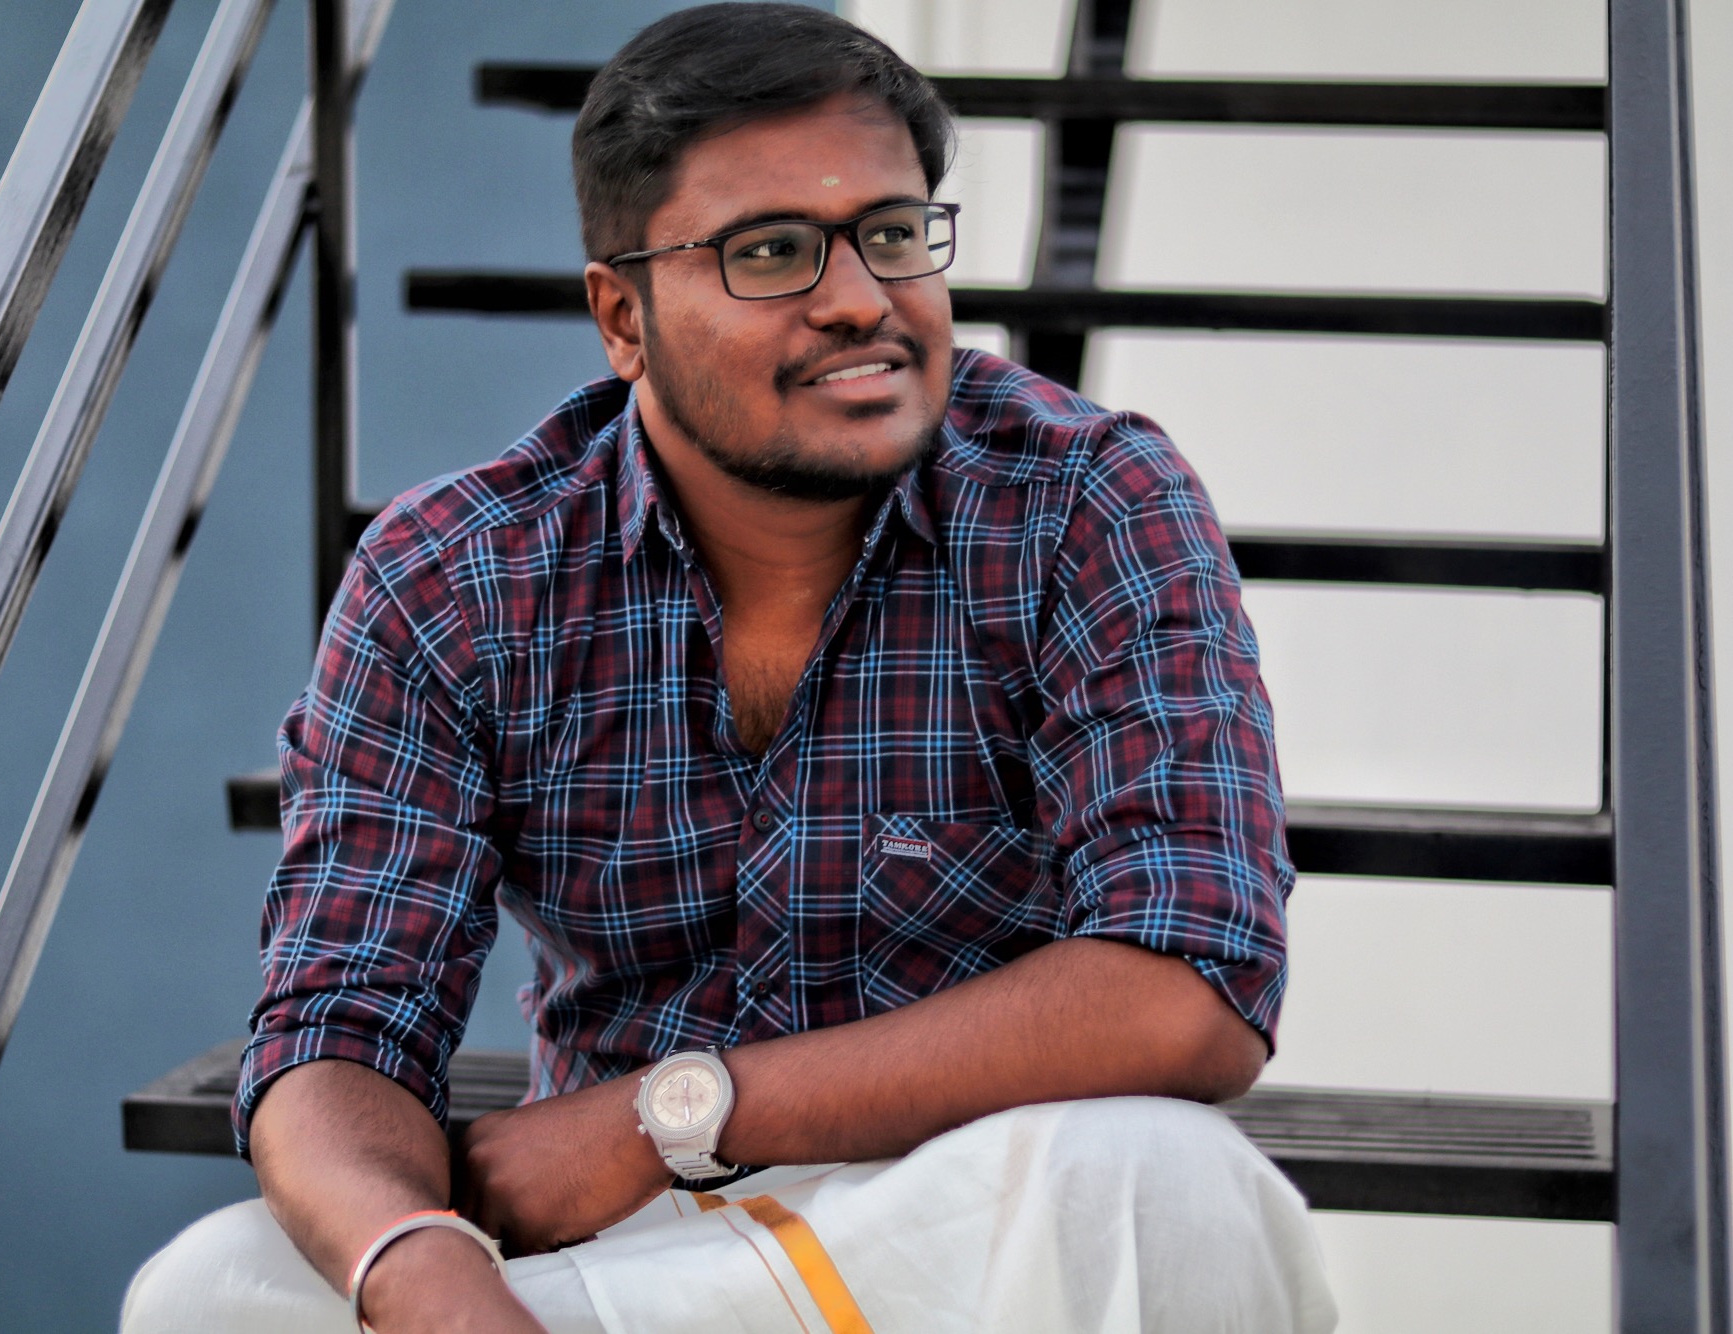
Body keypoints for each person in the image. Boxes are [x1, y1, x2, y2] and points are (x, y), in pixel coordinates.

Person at [123, 5, 1336, 1331]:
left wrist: (670, 1115)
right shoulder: (458, 576)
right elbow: (339, 1027)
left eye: (891, 233)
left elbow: (1190, 983)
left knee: (1168, 1178)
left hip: (970, 1223)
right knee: (210, 1290)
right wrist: (430, 1275)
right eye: (770, 252)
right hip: (621, 1256)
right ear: (623, 316)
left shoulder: (1085, 501)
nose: (860, 299)